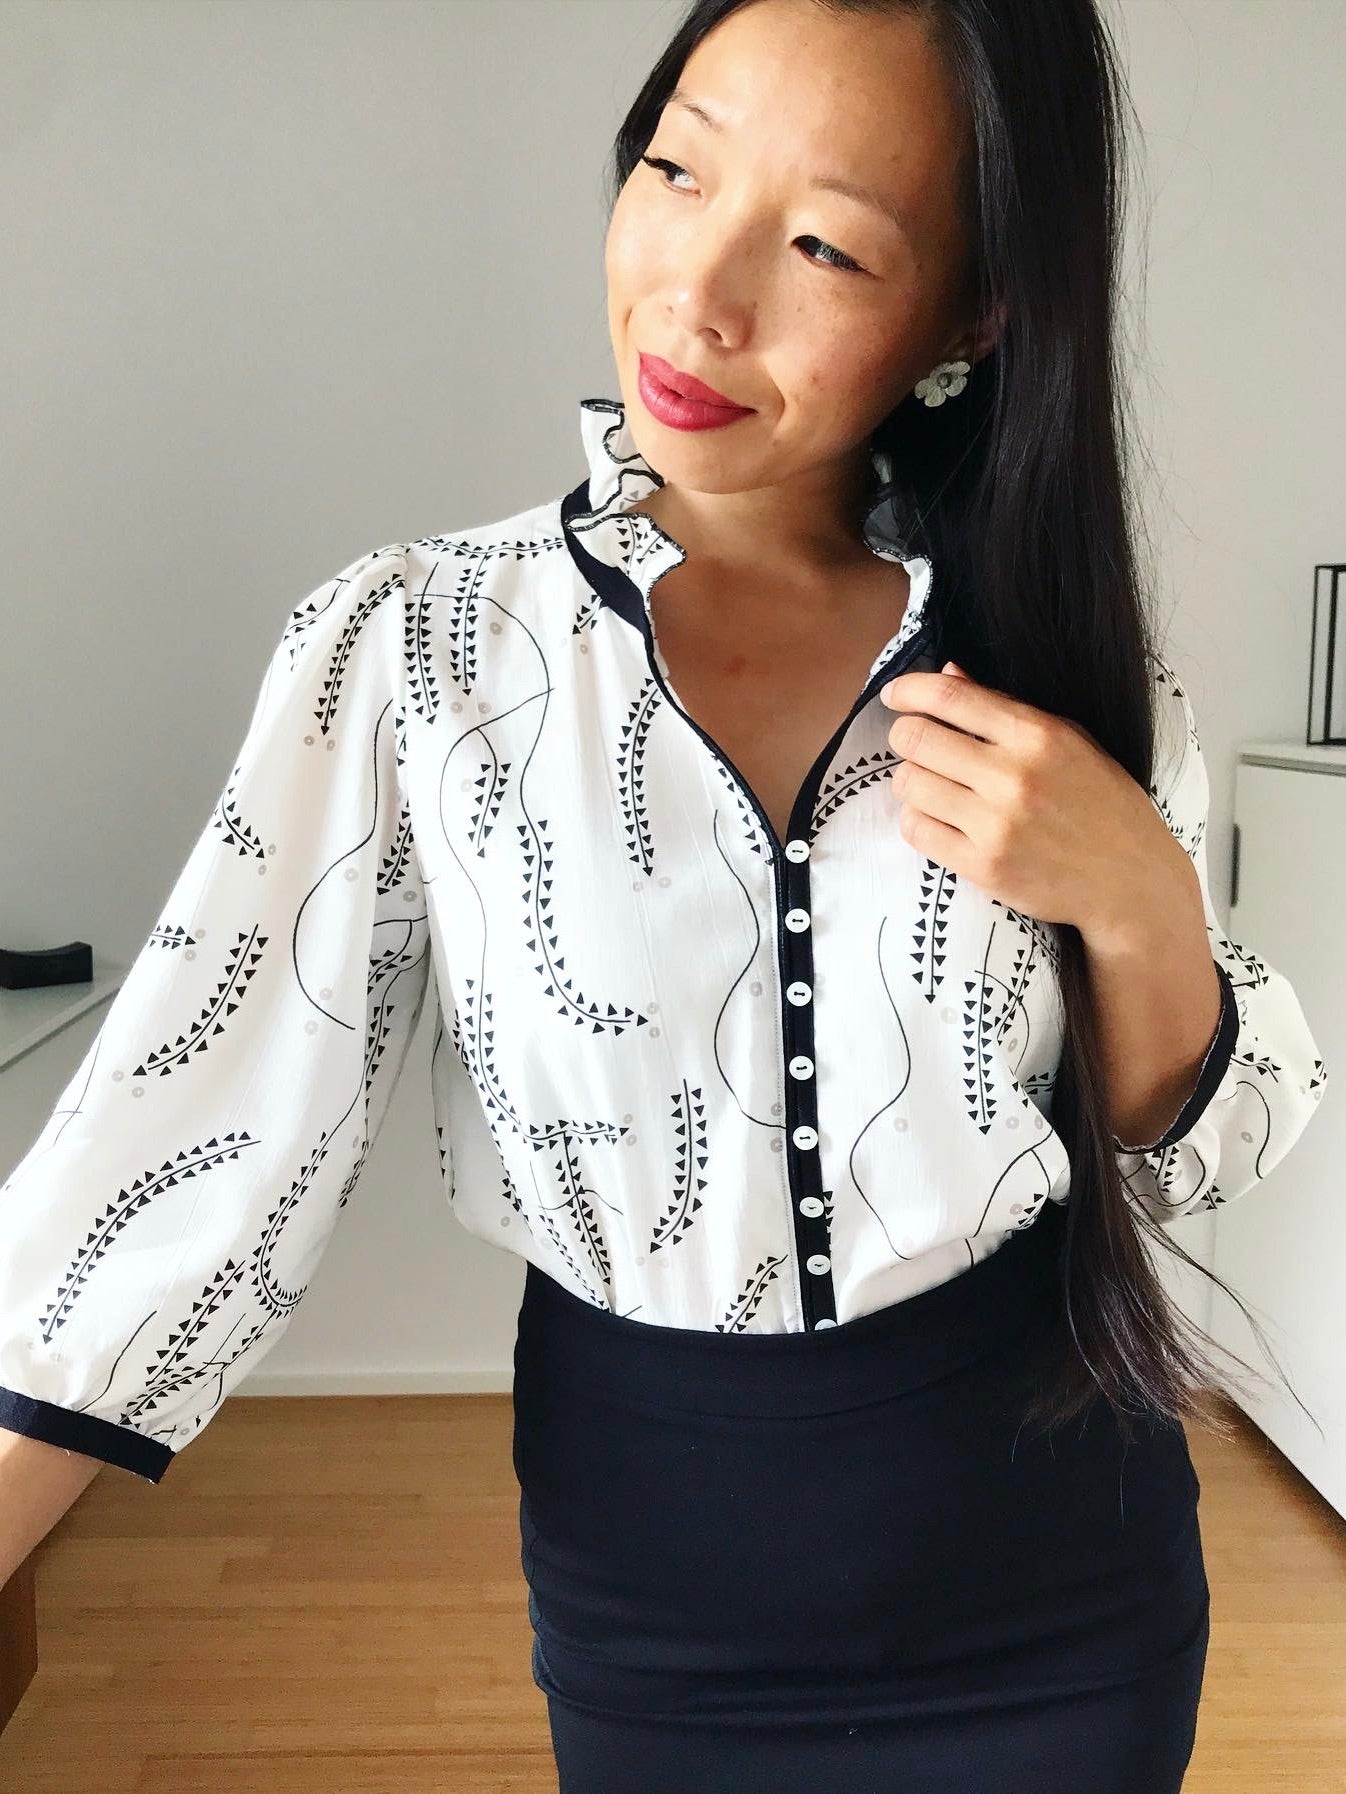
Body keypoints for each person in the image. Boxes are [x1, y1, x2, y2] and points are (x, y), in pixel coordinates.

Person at [0, 1, 1329, 1789]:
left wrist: (1140, 898)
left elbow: (1202, 1149)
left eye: (823, 245)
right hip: (657, 1583)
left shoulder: (1064, 671)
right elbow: (184, 1161)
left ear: (973, 314)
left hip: (1058, 1576)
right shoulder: (419, 652)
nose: (697, 295)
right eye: (675, 169)